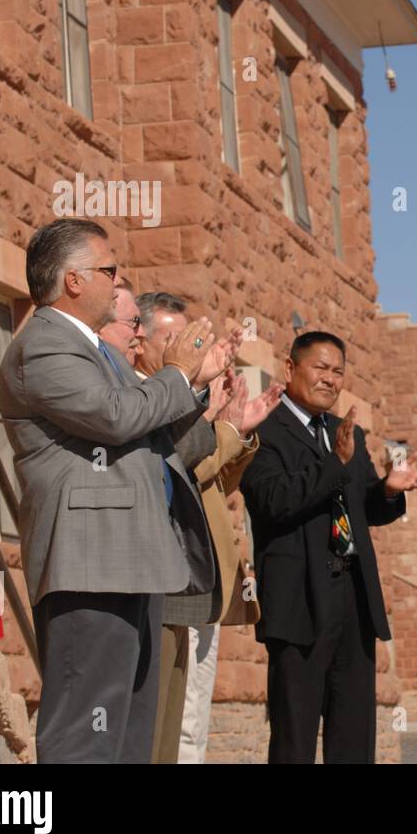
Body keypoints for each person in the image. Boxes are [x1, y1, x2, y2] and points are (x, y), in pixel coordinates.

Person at [0, 218, 237, 763]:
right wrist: (177, 372)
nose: (117, 279)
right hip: (90, 563)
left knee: (131, 738)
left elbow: (150, 427)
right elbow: (114, 416)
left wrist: (196, 384)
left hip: (135, 562)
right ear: (74, 281)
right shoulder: (45, 345)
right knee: (86, 736)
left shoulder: (98, 352)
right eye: (109, 269)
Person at [240, 331, 417, 763]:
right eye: (320, 368)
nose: (329, 379)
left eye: (338, 371)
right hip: (299, 601)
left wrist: (387, 489)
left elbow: (364, 509)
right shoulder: (263, 428)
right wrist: (336, 464)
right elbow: (274, 501)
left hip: (352, 598)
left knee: (353, 732)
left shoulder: (346, 433)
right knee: (295, 736)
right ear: (291, 368)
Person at [135, 291, 281, 763]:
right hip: (172, 578)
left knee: (192, 720)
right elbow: (184, 467)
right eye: (174, 338)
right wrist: (225, 429)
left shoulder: (187, 398)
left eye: (192, 339)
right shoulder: (144, 399)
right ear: (140, 343)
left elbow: (217, 481)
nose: (188, 349)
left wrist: (237, 429)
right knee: (166, 725)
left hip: (206, 578)